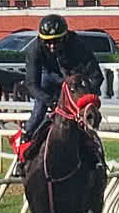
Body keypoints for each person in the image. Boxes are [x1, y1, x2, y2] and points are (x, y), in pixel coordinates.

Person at [19, 14, 98, 158]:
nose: (52, 46)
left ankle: (95, 152)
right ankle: (25, 142)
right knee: (38, 112)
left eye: (56, 41)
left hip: (71, 76)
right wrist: (50, 101)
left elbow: (96, 75)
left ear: (66, 37)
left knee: (87, 113)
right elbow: (31, 84)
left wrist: (89, 98)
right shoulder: (34, 50)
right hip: (47, 77)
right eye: (48, 42)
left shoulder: (77, 44)